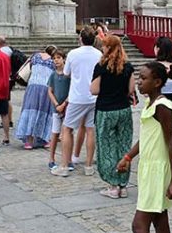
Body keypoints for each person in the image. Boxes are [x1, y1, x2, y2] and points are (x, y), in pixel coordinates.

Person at [117, 62, 172, 233]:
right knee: (160, 220)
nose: (139, 82)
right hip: (149, 167)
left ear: (157, 82)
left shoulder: (162, 107)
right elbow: (146, 137)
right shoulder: (150, 104)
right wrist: (128, 156)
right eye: (139, 77)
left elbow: (171, 143)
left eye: (144, 79)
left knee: (139, 225)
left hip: (158, 170)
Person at [52, 26, 102, 177]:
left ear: (80, 38)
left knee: (67, 129)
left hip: (77, 97)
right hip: (93, 96)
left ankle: (65, 165)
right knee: (90, 130)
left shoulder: (73, 54)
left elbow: (66, 73)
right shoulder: (98, 54)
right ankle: (88, 165)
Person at [90, 35, 134, 198]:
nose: (102, 48)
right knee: (123, 144)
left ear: (108, 48)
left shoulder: (101, 66)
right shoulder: (128, 66)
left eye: (104, 46)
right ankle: (123, 184)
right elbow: (130, 90)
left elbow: (94, 90)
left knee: (107, 146)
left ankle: (113, 184)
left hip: (106, 110)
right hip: (123, 109)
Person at [15, 45, 57, 148]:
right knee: (44, 112)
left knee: (30, 111)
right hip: (46, 88)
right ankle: (44, 138)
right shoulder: (53, 61)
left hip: (32, 86)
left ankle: (29, 141)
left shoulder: (35, 56)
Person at [47, 49, 70, 170]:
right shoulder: (53, 75)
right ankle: (51, 157)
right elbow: (50, 91)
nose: (56, 60)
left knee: (68, 133)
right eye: (54, 58)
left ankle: (68, 159)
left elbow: (72, 90)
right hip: (56, 108)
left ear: (64, 59)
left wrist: (64, 104)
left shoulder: (68, 75)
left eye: (58, 58)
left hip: (67, 108)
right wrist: (56, 104)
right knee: (55, 133)